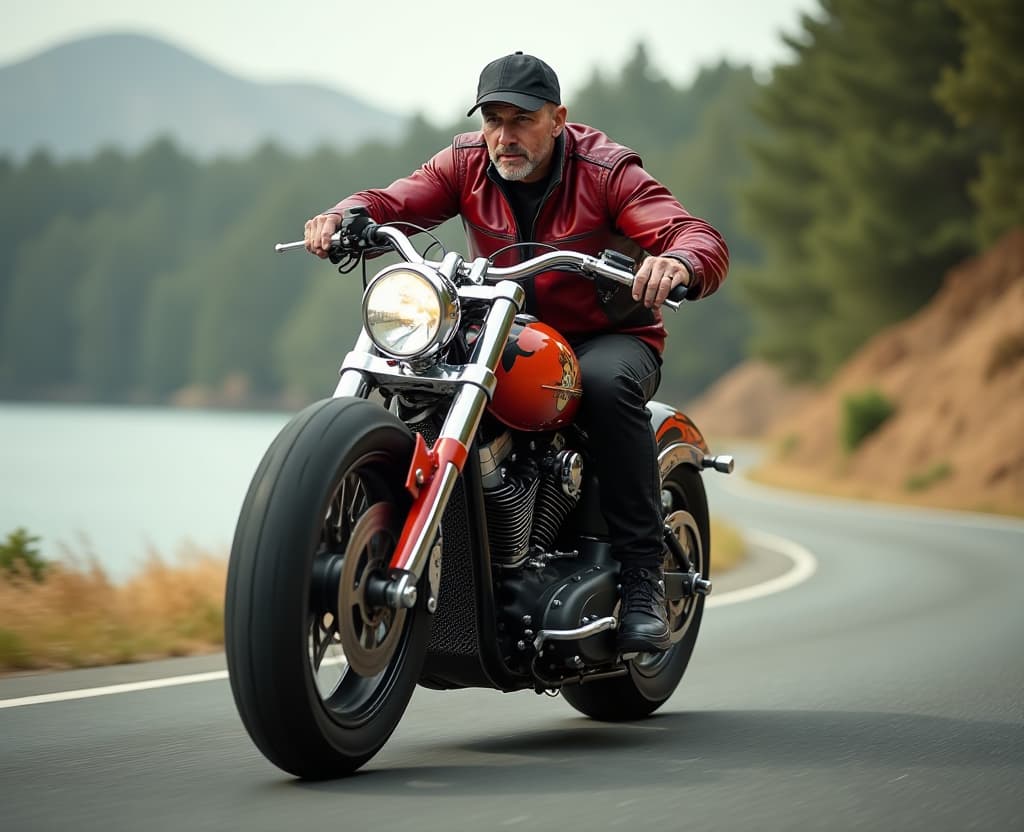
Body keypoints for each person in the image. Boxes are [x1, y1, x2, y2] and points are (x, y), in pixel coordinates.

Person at [305, 51, 729, 653]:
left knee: (606, 388)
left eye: (522, 119)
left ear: (558, 119)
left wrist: (678, 260)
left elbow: (695, 234)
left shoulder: (606, 171)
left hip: (607, 336)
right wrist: (346, 215)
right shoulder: (466, 162)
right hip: (508, 330)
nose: (505, 135)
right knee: (419, 373)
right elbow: (394, 200)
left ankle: (641, 582)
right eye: (493, 119)